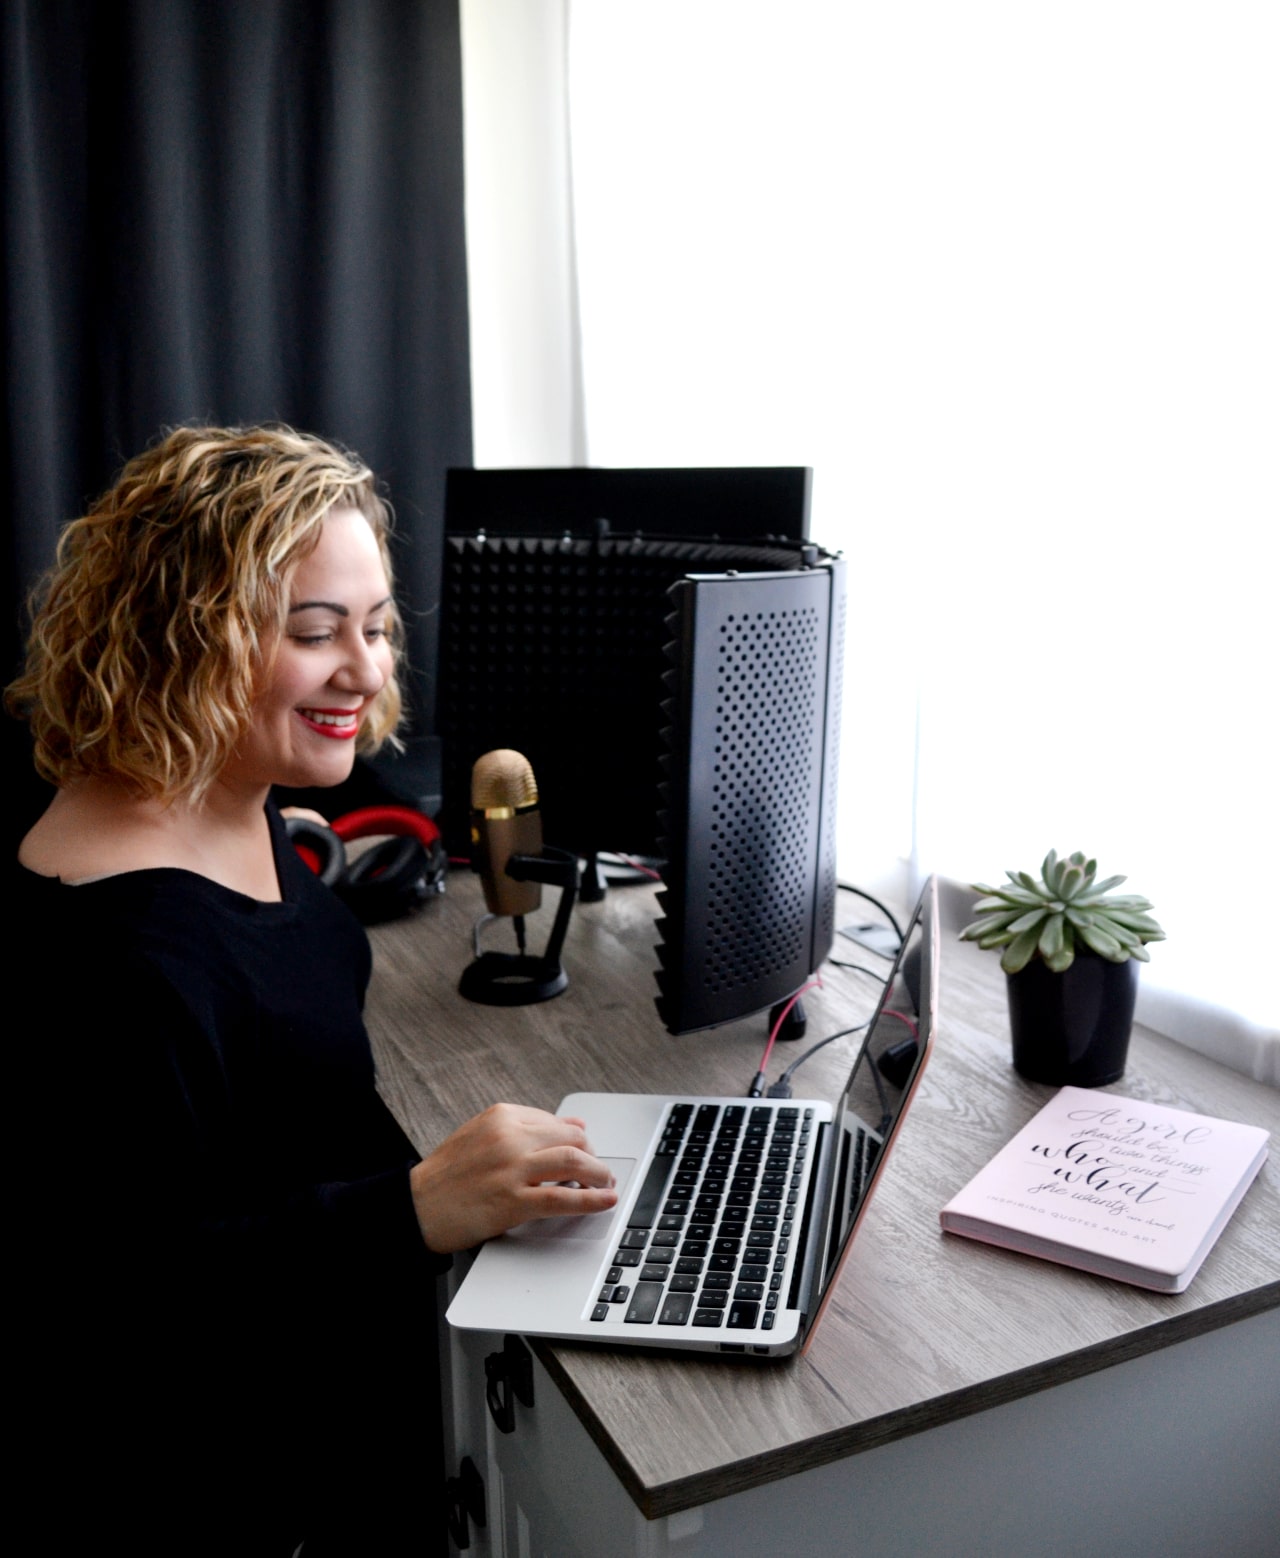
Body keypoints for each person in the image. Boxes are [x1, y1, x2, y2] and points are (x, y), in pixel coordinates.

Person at [8, 425, 617, 1556]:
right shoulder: (120, 958)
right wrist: (415, 1207)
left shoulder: (229, 802)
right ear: (180, 634)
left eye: (378, 627)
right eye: (314, 630)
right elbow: (126, 1309)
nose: (368, 669)